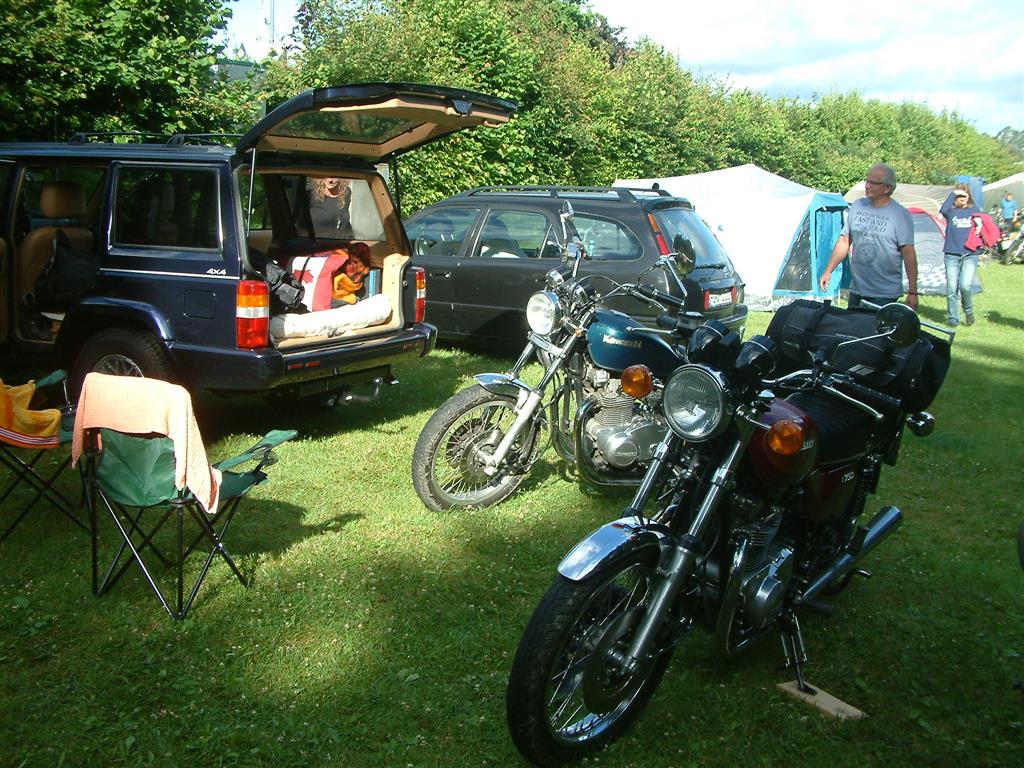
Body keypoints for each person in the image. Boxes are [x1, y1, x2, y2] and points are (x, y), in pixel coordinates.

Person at [819, 163, 919, 311]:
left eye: (873, 183)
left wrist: (913, 292)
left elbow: (908, 254)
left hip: (884, 294)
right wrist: (828, 271)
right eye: (867, 181)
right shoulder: (857, 206)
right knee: (851, 325)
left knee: (873, 326)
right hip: (857, 289)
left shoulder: (900, 215)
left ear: (887, 188)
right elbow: (844, 241)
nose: (867, 186)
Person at [939, 185, 981, 326]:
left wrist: (980, 225)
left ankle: (968, 311)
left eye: (965, 195)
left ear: (969, 196)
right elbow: (942, 209)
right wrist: (954, 193)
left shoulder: (974, 209)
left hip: (970, 254)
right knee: (951, 288)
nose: (962, 198)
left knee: (965, 286)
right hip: (951, 254)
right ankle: (953, 318)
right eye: (959, 196)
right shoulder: (950, 211)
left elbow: (982, 221)